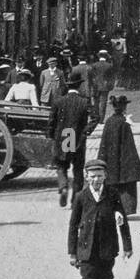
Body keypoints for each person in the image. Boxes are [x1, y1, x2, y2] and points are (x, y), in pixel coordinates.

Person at [68, 159, 133, 279]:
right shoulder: (81, 197)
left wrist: (127, 245)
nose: (96, 180)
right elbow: (73, 226)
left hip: (107, 247)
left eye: (99, 176)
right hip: (86, 249)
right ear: (87, 177)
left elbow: (122, 221)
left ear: (105, 176)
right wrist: (72, 253)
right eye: (92, 177)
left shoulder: (112, 195)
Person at [48, 73, 94, 206]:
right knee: (78, 169)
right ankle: (76, 198)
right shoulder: (84, 101)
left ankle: (63, 187)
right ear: (79, 86)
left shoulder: (58, 101)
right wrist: (86, 131)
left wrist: (51, 134)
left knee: (61, 166)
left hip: (63, 137)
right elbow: (95, 117)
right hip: (77, 138)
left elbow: (51, 120)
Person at [98, 92, 140, 215]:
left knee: (112, 187)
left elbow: (103, 144)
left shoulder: (108, 122)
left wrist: (101, 162)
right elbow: (129, 146)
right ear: (124, 107)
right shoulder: (125, 123)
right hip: (125, 163)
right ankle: (128, 210)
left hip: (111, 163)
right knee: (127, 189)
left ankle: (113, 209)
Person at [90, 49, 114, 124]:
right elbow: (111, 77)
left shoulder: (94, 65)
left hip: (95, 86)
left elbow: (91, 76)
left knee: (96, 103)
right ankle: (101, 119)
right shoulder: (109, 65)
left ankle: (96, 118)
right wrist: (110, 86)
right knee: (103, 103)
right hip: (105, 86)